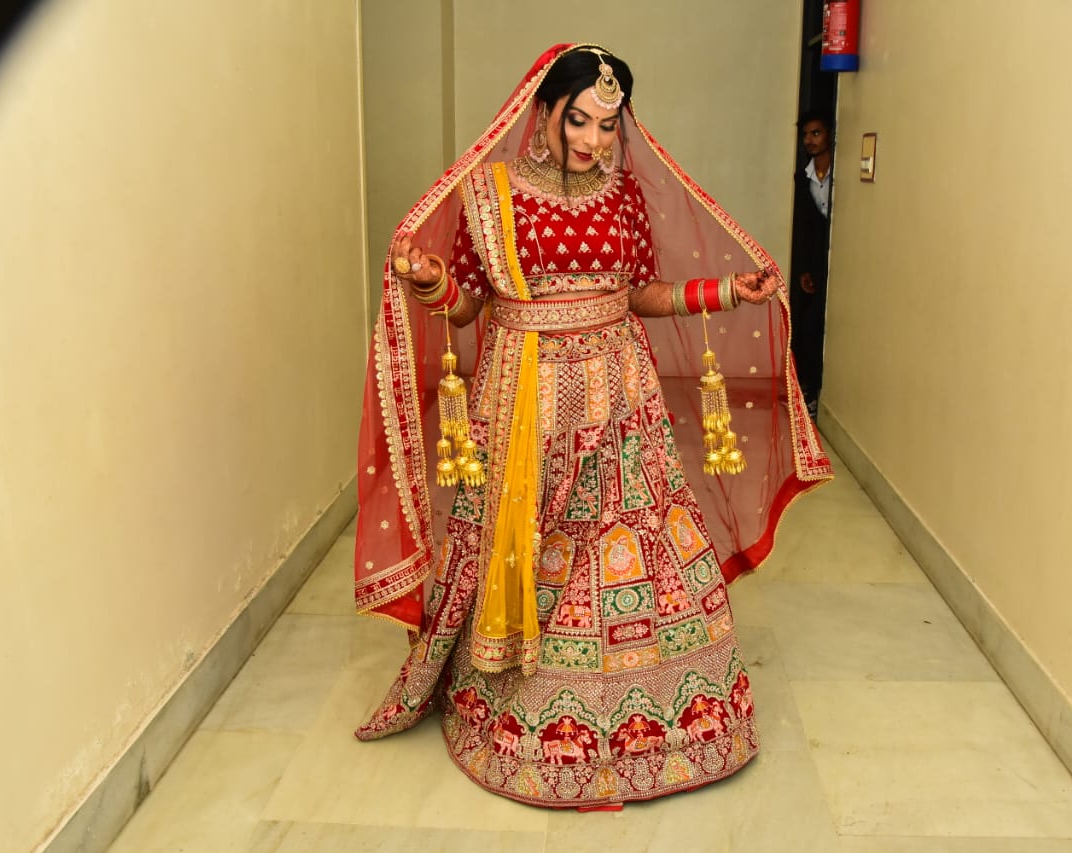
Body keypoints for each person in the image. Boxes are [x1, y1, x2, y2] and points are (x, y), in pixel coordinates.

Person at [353, 43, 833, 809]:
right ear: (543, 111)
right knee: (530, 542)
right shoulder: (491, 194)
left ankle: (665, 720)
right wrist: (432, 282)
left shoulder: (622, 193)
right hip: (523, 400)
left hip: (620, 395)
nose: (593, 140)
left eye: (608, 126)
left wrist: (725, 292)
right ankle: (532, 713)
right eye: (578, 120)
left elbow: (640, 293)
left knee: (630, 534)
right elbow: (468, 308)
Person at [789, 110, 833, 419]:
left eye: (816, 133)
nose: (809, 140)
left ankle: (816, 391)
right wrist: (804, 267)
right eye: (806, 135)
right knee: (807, 325)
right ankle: (807, 390)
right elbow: (804, 225)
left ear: (829, 134)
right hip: (813, 261)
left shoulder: (839, 172)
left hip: (838, 255)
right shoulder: (802, 176)